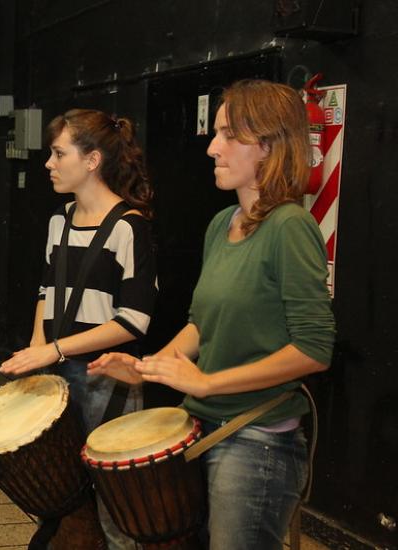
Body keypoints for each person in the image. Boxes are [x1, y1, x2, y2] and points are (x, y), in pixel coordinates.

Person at [88, 79, 336, 550]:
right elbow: (201, 325)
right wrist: (145, 368)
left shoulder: (291, 226)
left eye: (227, 135)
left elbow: (314, 348)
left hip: (256, 442)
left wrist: (206, 383)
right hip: (201, 427)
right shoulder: (223, 224)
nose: (212, 148)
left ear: (266, 145)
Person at [0, 108, 157, 549]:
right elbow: (46, 291)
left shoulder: (130, 226)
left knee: (116, 514)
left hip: (108, 379)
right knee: (63, 502)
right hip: (58, 375)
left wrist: (55, 349)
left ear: (91, 161)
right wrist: (35, 351)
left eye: (58, 153)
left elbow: (134, 321)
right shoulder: (58, 220)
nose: (48, 163)